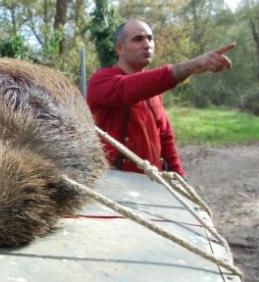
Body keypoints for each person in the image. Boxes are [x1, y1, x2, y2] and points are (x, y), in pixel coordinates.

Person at [86, 19, 235, 177]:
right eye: (138, 39)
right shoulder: (101, 81)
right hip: (113, 183)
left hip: (152, 181)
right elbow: (129, 88)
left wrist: (179, 177)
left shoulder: (154, 91)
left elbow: (164, 136)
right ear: (119, 48)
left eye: (150, 38)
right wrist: (192, 66)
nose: (147, 44)